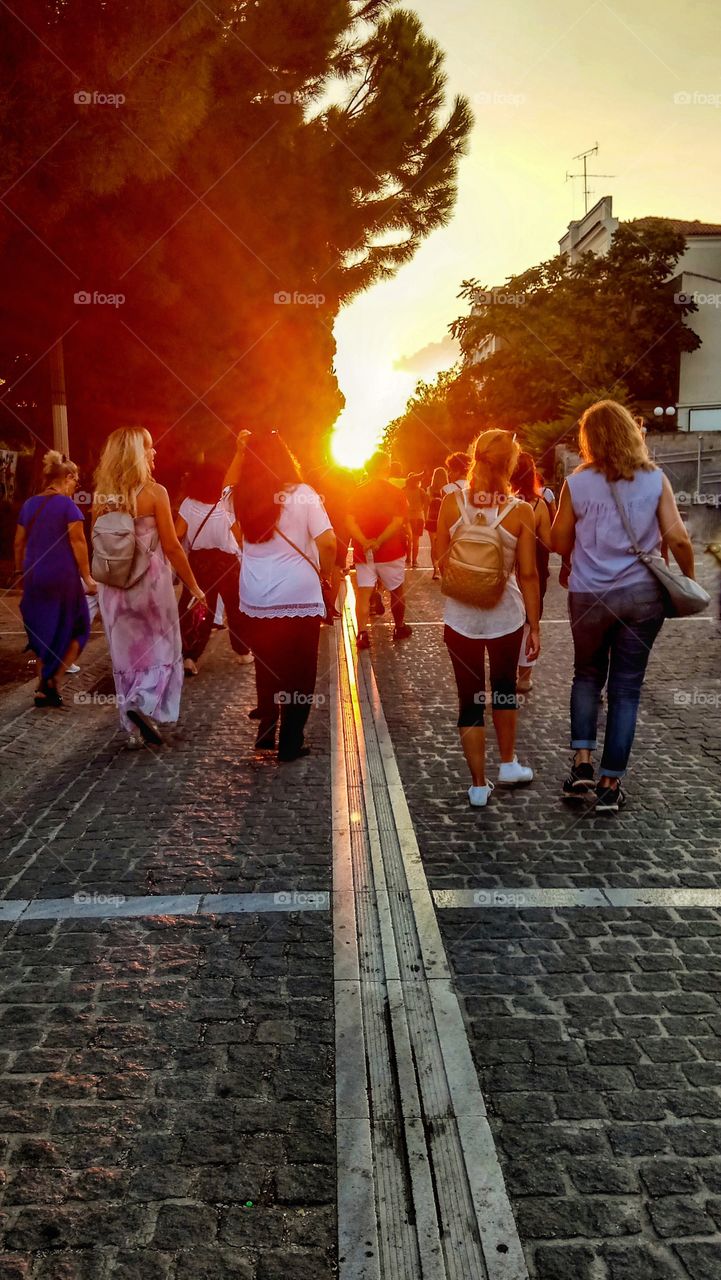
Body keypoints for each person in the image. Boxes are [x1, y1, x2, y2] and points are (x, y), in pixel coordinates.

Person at [551, 399, 695, 813]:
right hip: (641, 595)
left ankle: (582, 763)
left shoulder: (576, 483)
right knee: (626, 689)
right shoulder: (655, 479)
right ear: (632, 433)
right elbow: (680, 539)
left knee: (586, 675)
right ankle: (610, 786)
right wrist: (688, 578)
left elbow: (560, 543)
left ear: (589, 440)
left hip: (589, 594)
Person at [436, 430, 540, 808]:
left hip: (459, 617)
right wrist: (536, 624)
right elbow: (528, 574)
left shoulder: (451, 504)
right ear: (510, 464)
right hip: (506, 617)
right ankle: (508, 763)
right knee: (504, 689)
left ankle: (478, 785)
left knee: (469, 699)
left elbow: (438, 557)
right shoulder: (521, 511)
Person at [93, 427, 206, 748]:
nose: (154, 453)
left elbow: (99, 544)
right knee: (160, 647)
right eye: (149, 448)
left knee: (125, 654)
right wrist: (194, 586)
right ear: (137, 454)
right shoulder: (156, 493)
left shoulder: (102, 496)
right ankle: (143, 704)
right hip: (150, 583)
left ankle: (131, 726)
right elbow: (172, 546)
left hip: (114, 586)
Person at [234, 431, 336, 762]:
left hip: (255, 596)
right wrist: (325, 573)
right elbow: (329, 542)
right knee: (300, 671)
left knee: (267, 664)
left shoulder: (240, 496)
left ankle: (266, 727)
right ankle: (290, 742)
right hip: (298, 596)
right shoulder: (303, 494)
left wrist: (239, 452)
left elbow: (229, 511)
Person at [14, 450, 96, 708]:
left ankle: (43, 686)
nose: (75, 487)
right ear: (68, 477)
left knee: (44, 631)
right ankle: (53, 679)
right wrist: (88, 577)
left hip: (35, 576)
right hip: (63, 576)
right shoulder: (68, 506)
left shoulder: (29, 505)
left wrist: (19, 573)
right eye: (75, 481)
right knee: (80, 627)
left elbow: (18, 543)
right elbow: (78, 541)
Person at [175, 462, 252, 676]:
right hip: (226, 562)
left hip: (199, 562)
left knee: (196, 608)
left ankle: (189, 656)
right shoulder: (224, 505)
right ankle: (242, 651)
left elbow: (177, 534)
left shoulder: (188, 504)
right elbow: (238, 535)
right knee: (236, 608)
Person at [347, 450, 413, 650]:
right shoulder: (396, 493)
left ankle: (362, 634)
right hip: (390, 551)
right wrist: (380, 541)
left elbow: (349, 520)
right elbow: (397, 522)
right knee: (397, 590)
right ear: (386, 466)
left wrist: (365, 541)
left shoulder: (358, 492)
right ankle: (399, 627)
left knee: (364, 593)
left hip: (364, 551)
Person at [512, 451, 552, 693]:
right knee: (529, 622)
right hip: (534, 568)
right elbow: (549, 543)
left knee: (507, 623)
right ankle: (524, 677)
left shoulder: (499, 501)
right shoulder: (539, 504)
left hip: (505, 571)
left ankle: (503, 671)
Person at [426, 466, 449, 579]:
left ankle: (435, 571)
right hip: (443, 519)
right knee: (443, 544)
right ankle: (442, 569)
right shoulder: (447, 488)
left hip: (431, 518)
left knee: (433, 545)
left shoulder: (430, 489)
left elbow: (427, 504)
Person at [404, 473, 427, 568]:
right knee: (416, 540)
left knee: (409, 539)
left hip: (407, 518)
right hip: (418, 517)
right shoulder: (421, 491)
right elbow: (426, 502)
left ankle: (408, 558)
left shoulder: (404, 490)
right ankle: (414, 561)